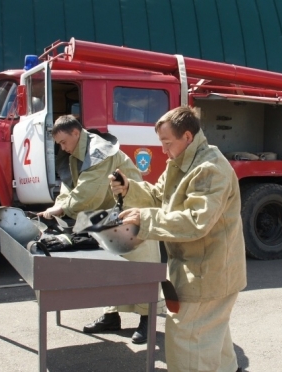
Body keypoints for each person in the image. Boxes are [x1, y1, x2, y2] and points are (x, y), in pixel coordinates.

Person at [109, 106, 246, 372]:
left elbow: (197, 221)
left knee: (188, 339)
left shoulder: (209, 169)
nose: (163, 150)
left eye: (167, 143)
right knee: (210, 335)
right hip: (201, 268)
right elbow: (160, 197)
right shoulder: (183, 161)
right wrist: (130, 188)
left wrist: (144, 219)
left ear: (187, 136)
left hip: (208, 271)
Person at [38, 115, 164, 344]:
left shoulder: (99, 151)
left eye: (63, 142)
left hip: (132, 212)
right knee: (108, 268)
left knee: (142, 270)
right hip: (107, 215)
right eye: (58, 144)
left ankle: (148, 319)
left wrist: (61, 208)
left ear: (76, 133)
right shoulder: (74, 153)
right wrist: (59, 204)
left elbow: (87, 192)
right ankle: (111, 316)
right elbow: (69, 185)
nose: (62, 148)